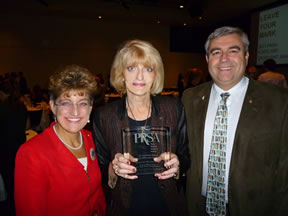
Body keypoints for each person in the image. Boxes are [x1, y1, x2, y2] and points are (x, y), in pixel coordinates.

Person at [182, 26, 288, 216]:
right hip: (198, 208)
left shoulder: (279, 101)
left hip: (254, 208)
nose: (224, 59)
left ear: (246, 57)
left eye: (233, 50)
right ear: (207, 59)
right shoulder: (190, 98)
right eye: (216, 52)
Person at [92, 40, 190, 216]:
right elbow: (99, 166)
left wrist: (179, 164)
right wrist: (112, 167)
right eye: (131, 68)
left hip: (169, 206)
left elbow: (185, 154)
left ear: (155, 75)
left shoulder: (174, 108)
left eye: (147, 69)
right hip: (125, 207)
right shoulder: (104, 116)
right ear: (121, 74)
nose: (139, 76)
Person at [14, 64, 106, 216]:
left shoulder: (91, 140)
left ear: (90, 107)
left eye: (82, 103)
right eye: (65, 103)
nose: (75, 111)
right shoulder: (32, 153)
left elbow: (97, 193)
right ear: (52, 106)